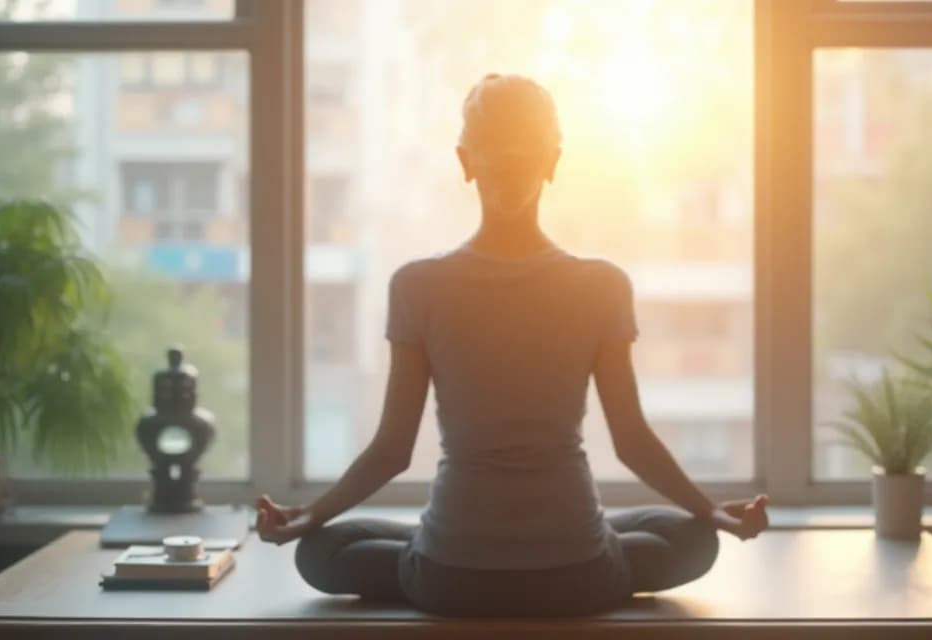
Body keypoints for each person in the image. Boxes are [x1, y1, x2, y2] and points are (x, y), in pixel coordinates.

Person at [255, 73, 768, 617]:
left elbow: (392, 451)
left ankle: (434, 545)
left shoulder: (417, 285)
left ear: (465, 161)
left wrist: (309, 516)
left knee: (323, 550)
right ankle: (548, 543)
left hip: (450, 578)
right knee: (688, 537)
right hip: (580, 576)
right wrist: (712, 512)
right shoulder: (602, 285)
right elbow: (631, 440)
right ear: (552, 161)